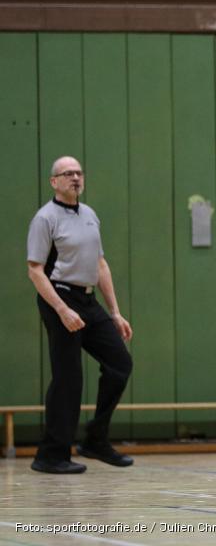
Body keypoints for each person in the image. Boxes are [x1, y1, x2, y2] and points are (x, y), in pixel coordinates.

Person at [26, 156, 134, 474]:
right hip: (58, 296)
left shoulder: (89, 214)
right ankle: (51, 454)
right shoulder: (45, 219)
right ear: (54, 181)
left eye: (78, 173)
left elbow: (100, 264)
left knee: (120, 364)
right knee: (69, 378)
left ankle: (95, 440)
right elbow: (35, 270)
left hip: (87, 299)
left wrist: (114, 312)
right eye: (67, 173)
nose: (75, 178)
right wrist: (61, 309)